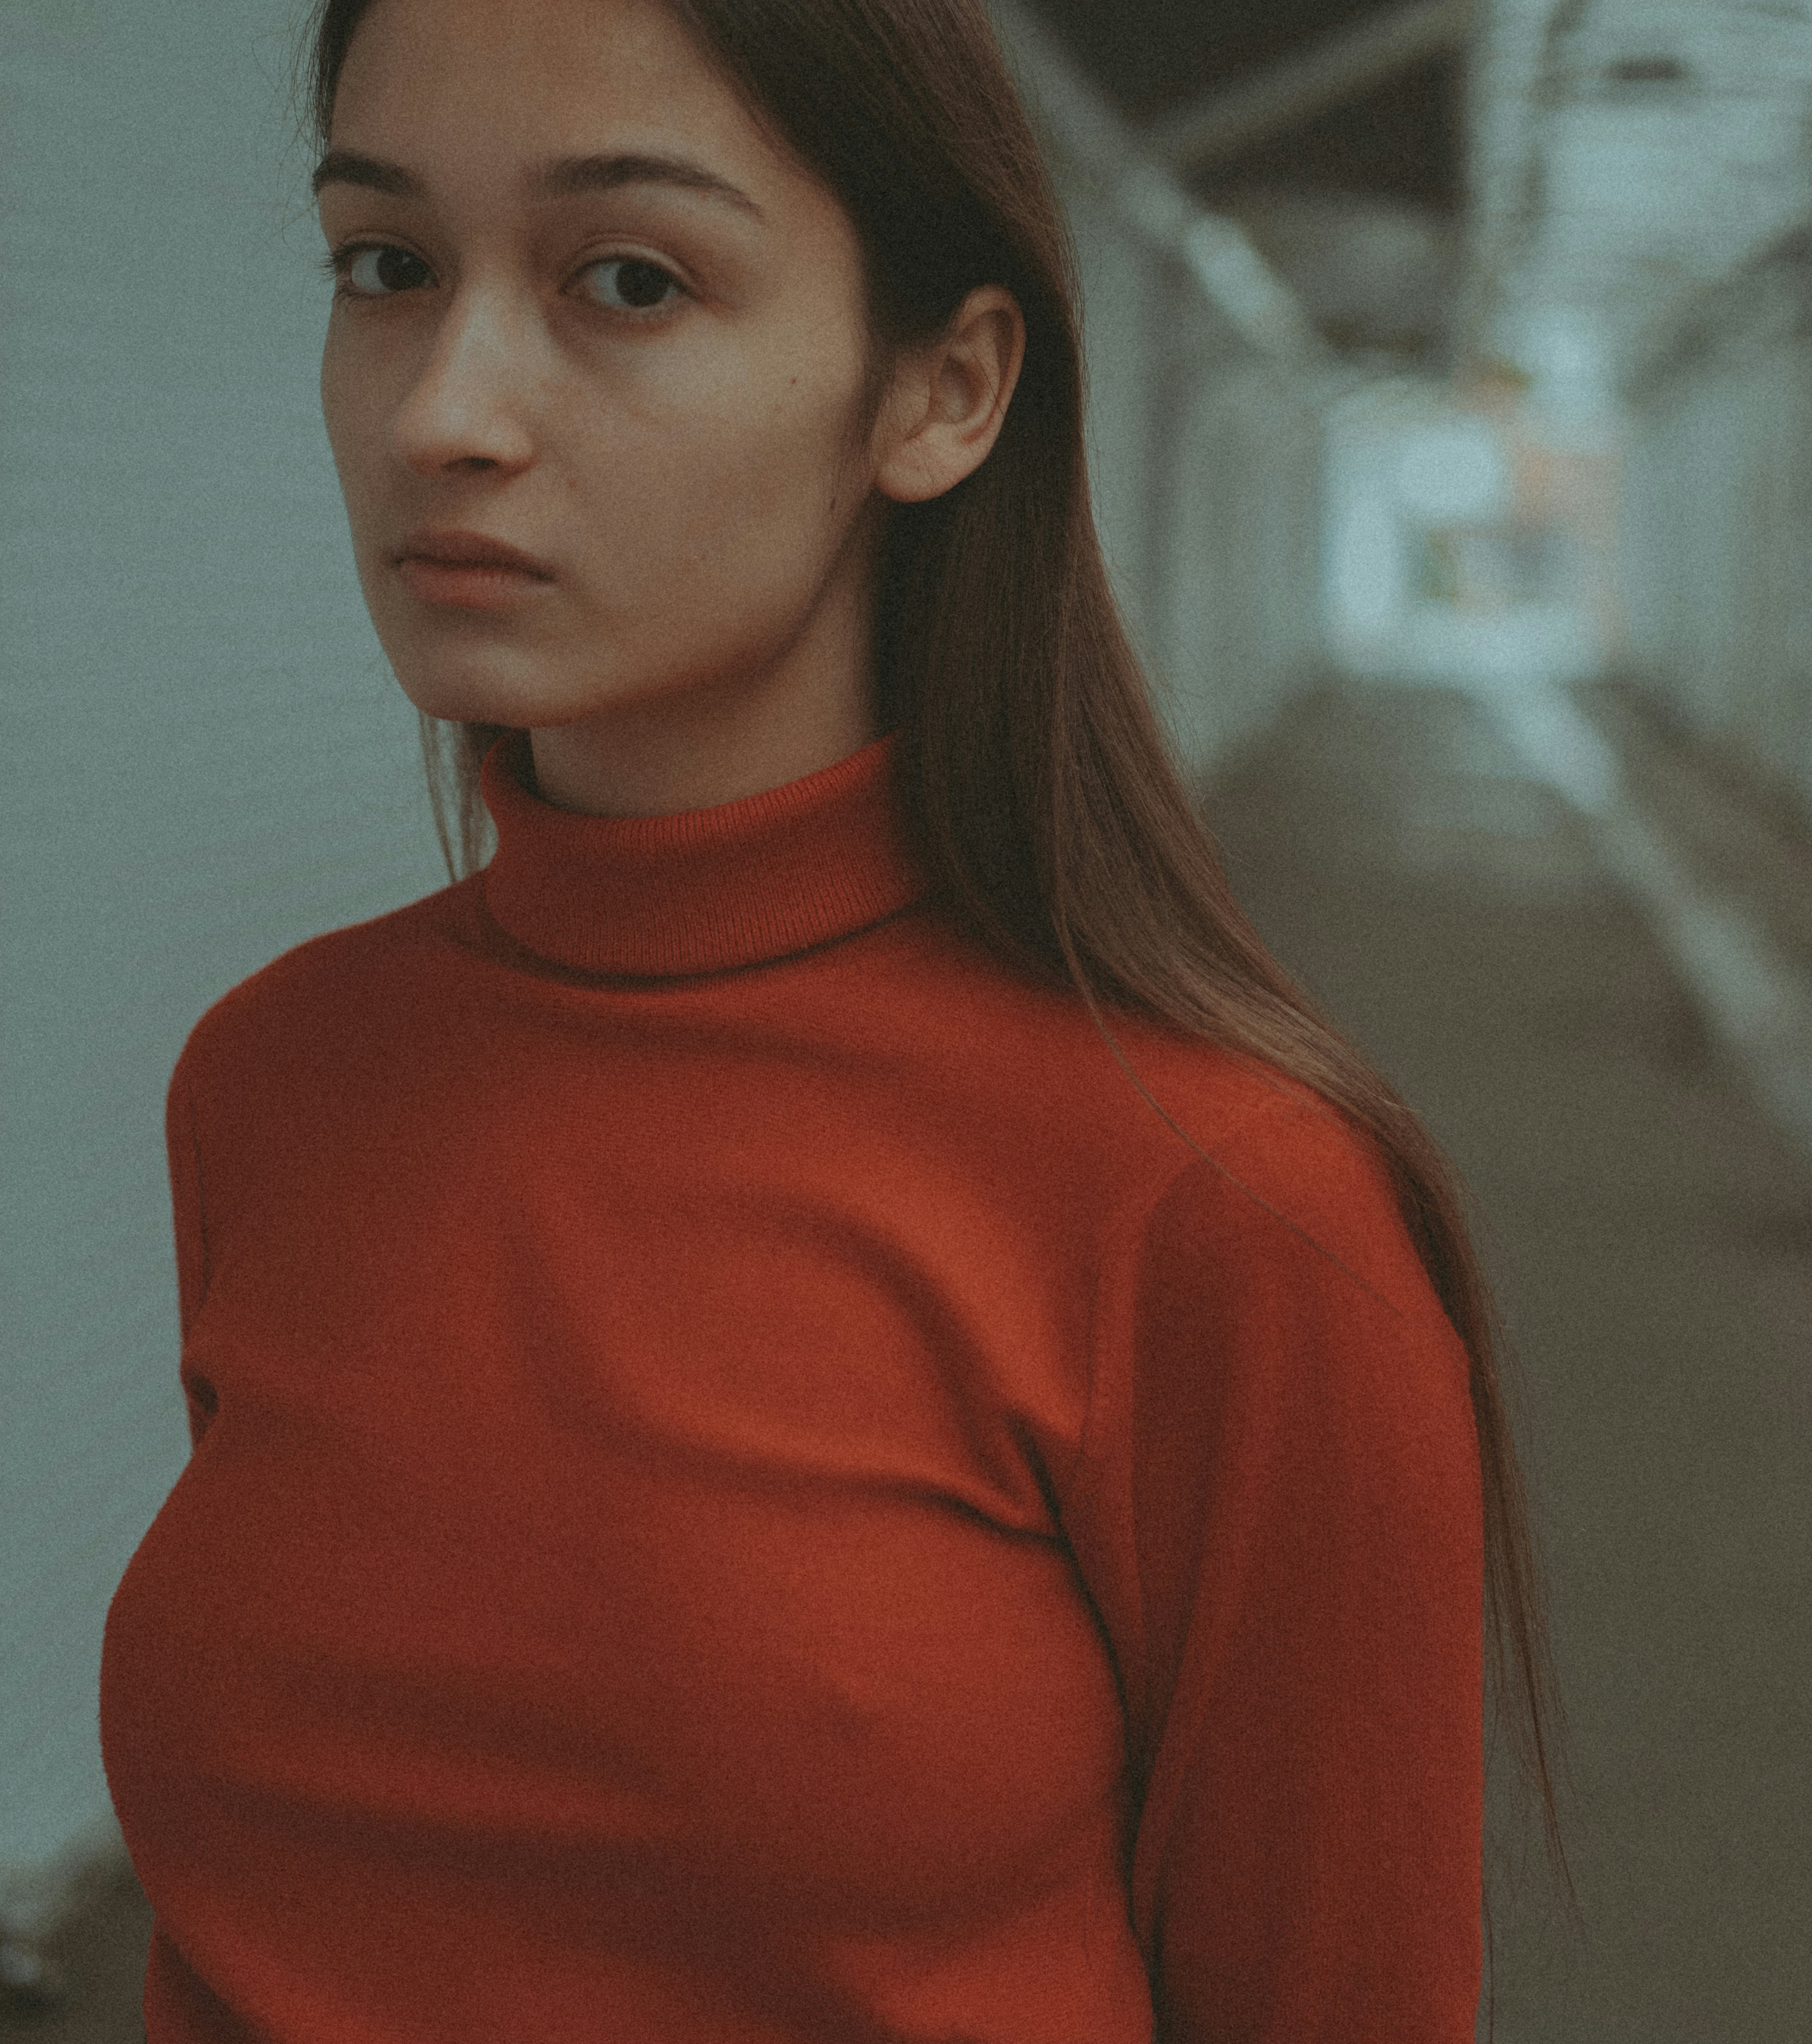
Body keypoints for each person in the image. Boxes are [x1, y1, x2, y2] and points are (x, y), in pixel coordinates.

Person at [99, 0, 1570, 2038]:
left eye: (627, 278)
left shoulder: (1233, 1209)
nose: (443, 406)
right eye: (387, 265)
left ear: (942, 389)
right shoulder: (275, 1083)